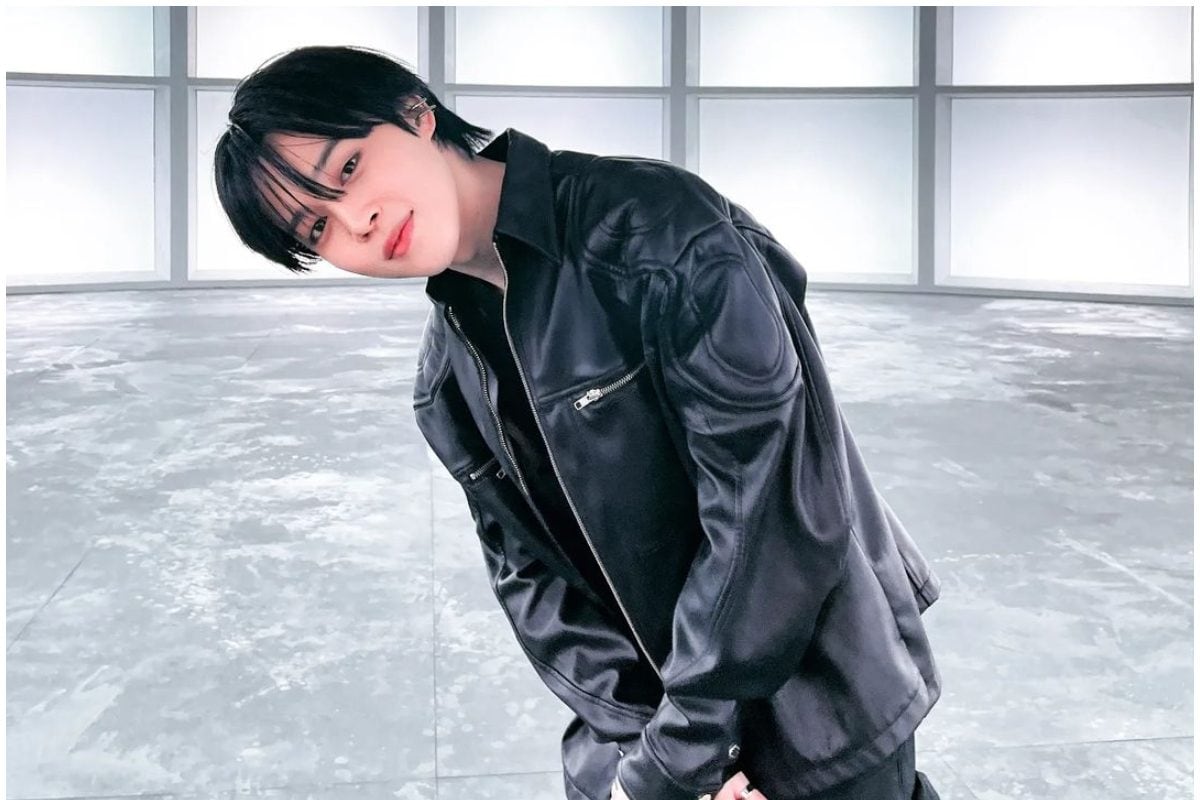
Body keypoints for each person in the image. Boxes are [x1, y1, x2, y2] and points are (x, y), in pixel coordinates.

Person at [214, 45, 945, 800]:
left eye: (347, 168)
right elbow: (534, 584)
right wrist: (650, 755)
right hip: (654, 743)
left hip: (820, 705)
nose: (356, 222)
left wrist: (683, 754)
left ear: (415, 114)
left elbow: (774, 512)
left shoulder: (659, 231)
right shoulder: (445, 385)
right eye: (317, 230)